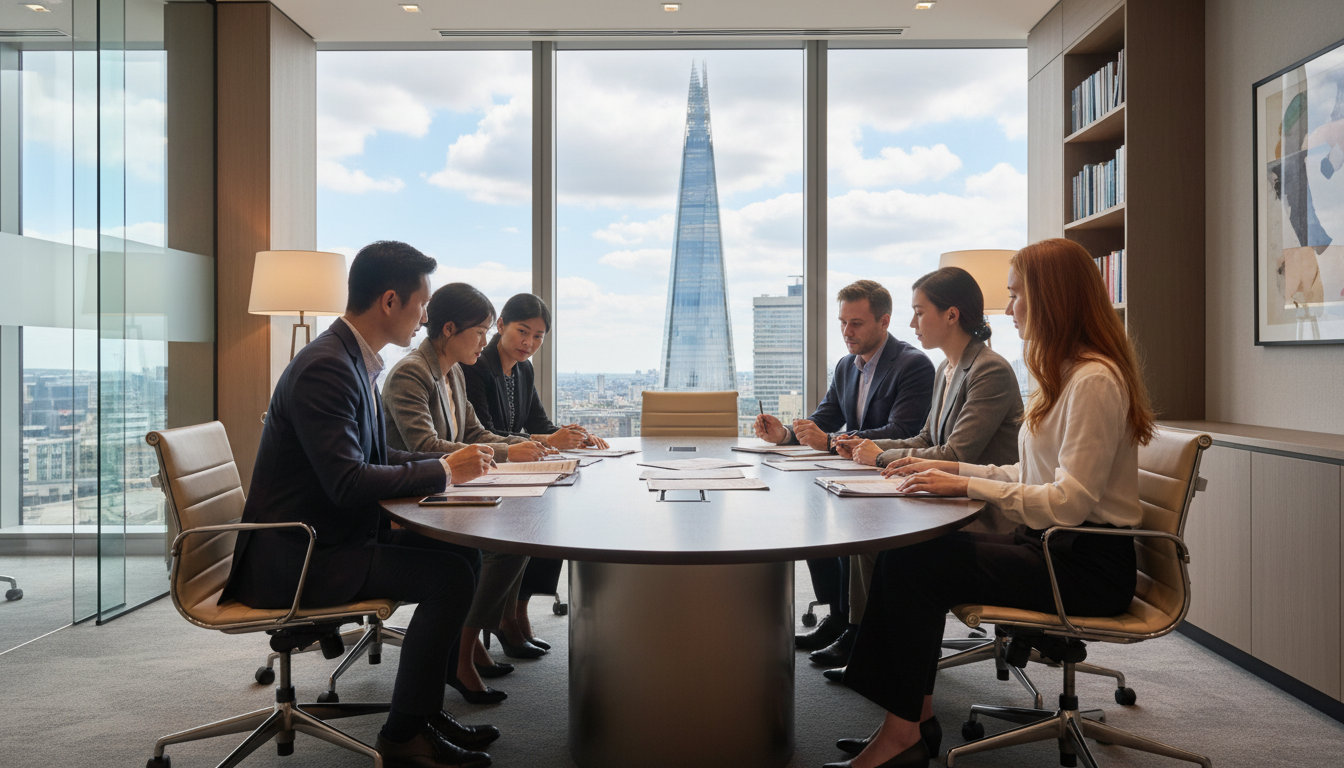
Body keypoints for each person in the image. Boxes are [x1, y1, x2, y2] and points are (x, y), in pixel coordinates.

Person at [830, 238, 1154, 768]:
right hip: (1051, 547)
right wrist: (952, 471)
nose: (1009, 309)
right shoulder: (1064, 375)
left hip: (1084, 563)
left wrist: (966, 485)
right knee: (905, 553)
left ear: (1052, 299)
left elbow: (1069, 502)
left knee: (915, 562)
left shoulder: (1093, 380)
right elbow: (1027, 474)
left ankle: (903, 735)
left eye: (1017, 295)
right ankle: (912, 720)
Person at [223, 241, 499, 768]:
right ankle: (403, 736)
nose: (424, 319)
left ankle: (424, 710)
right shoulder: (327, 368)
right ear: (390, 301)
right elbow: (348, 481)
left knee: (464, 555)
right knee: (451, 578)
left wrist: (451, 464)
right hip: (300, 557)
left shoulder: (353, 360)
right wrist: (442, 469)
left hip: (329, 538)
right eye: (421, 305)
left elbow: (372, 455)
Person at [820, 267, 1024, 677]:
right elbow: (927, 436)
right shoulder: (947, 368)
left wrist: (879, 457)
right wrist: (871, 449)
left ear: (951, 315)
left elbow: (956, 451)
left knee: (877, 536)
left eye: (918, 312)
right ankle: (866, 643)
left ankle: (879, 652)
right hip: (947, 496)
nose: (911, 323)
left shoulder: (989, 370)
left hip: (984, 509)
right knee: (864, 527)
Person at [383, 283, 556, 707]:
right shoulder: (412, 372)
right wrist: (507, 450)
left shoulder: (453, 370)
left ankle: (474, 641)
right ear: (449, 329)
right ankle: (462, 652)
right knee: (503, 547)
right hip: (412, 501)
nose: (486, 340)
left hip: (447, 489)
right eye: (480, 331)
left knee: (523, 527)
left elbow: (474, 433)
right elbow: (424, 447)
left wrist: (516, 448)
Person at [753, 279, 935, 664]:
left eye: (856, 323)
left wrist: (831, 439)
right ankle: (837, 617)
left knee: (848, 522)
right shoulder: (846, 366)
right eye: (842, 323)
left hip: (891, 473)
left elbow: (902, 432)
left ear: (884, 321)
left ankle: (857, 630)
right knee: (812, 513)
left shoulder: (912, 364)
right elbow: (823, 420)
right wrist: (785, 433)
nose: (846, 333)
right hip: (853, 471)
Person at [461, 292, 601, 648]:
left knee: (548, 510)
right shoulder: (476, 365)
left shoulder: (523, 368)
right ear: (501, 325)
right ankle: (502, 620)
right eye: (523, 332)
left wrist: (573, 436)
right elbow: (483, 429)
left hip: (515, 467)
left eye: (538, 336)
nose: (529, 343)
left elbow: (538, 421)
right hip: (487, 466)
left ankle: (516, 612)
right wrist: (549, 438)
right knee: (531, 518)